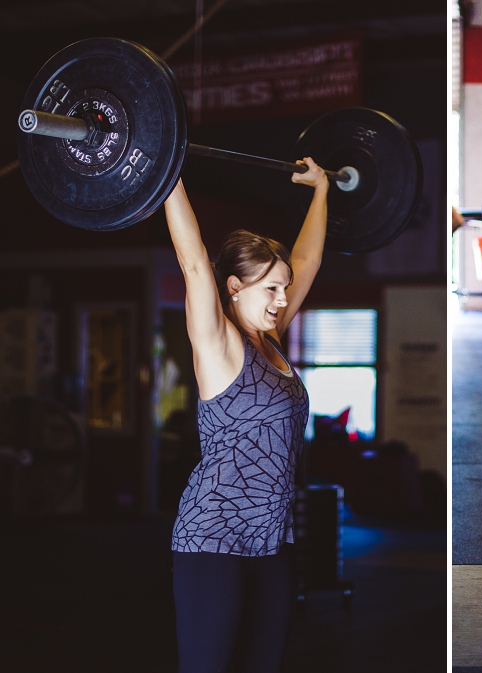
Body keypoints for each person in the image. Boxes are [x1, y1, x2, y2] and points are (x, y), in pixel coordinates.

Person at [164, 157, 329, 673]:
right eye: (270, 289)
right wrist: (164, 169)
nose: (282, 299)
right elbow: (193, 263)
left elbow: (308, 259)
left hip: (271, 541)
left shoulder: (272, 340)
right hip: (212, 539)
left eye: (284, 287)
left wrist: (322, 190)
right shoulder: (220, 343)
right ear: (234, 287)